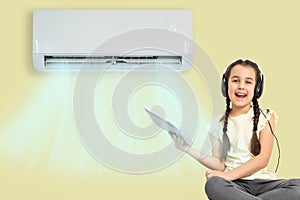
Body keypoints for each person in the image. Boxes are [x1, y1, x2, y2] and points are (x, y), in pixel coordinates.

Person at [171, 59, 300, 199]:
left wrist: (228, 175)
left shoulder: (267, 117)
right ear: (225, 86)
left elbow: (263, 159)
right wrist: (187, 148)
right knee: (213, 184)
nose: (241, 86)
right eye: (235, 80)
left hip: (264, 184)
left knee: (298, 186)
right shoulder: (217, 124)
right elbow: (220, 165)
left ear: (257, 88)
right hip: (234, 186)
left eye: (248, 82)